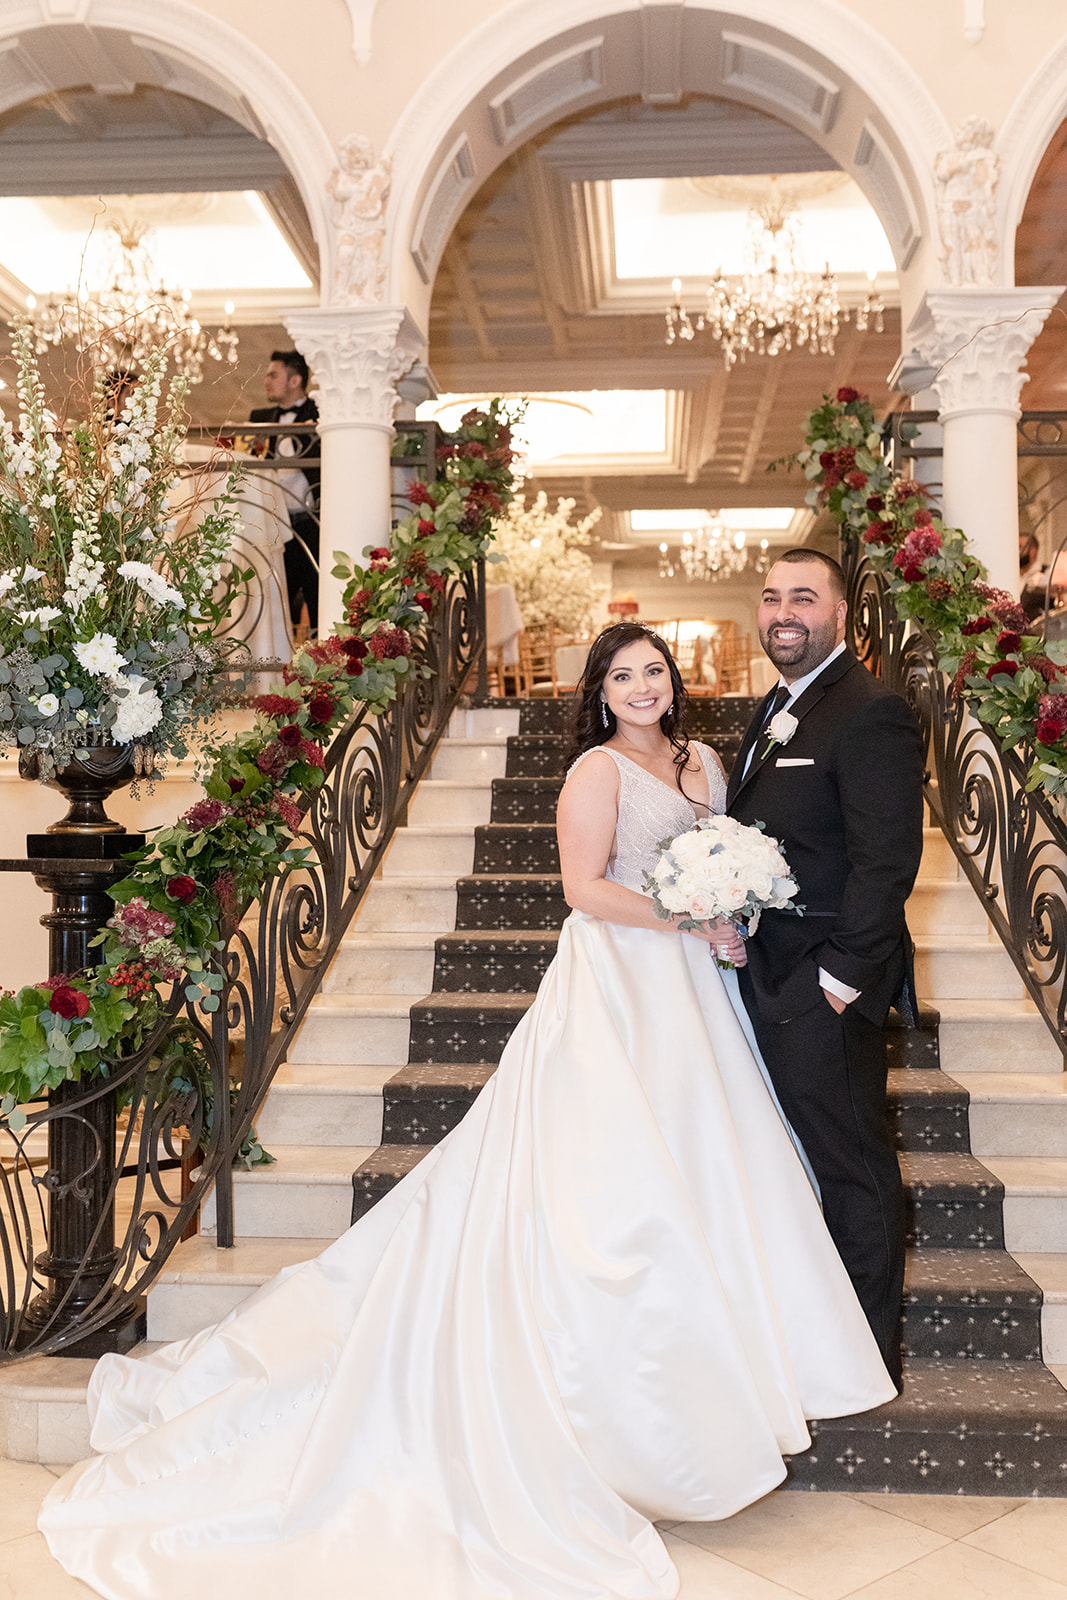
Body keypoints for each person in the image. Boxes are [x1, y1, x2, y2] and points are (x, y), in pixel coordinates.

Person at [39, 623, 896, 1600]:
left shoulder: (703, 756)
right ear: (600, 691)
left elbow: (722, 854)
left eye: (653, 670)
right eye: (621, 675)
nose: (641, 686)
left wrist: (729, 918)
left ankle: (725, 1386)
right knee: (619, 1185)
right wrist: (682, 914)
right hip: (620, 987)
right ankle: (618, 1410)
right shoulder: (594, 771)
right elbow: (583, 890)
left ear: (673, 679)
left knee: (721, 1168)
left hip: (701, 989)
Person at [726, 550, 925, 1391]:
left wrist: (838, 982)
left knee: (850, 1162)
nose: (782, 612)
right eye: (771, 597)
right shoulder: (779, 705)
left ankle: (865, 1357)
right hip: (770, 968)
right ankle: (819, 1340)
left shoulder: (870, 709)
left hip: (823, 981)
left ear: (840, 612)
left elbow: (887, 861)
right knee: (807, 1157)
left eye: (802, 598)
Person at [249, 350, 320, 637]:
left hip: (313, 520)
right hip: (274, 522)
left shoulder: (319, 413)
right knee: (277, 598)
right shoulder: (259, 419)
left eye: (273, 375)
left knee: (317, 596)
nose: (266, 380)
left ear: (295, 380)